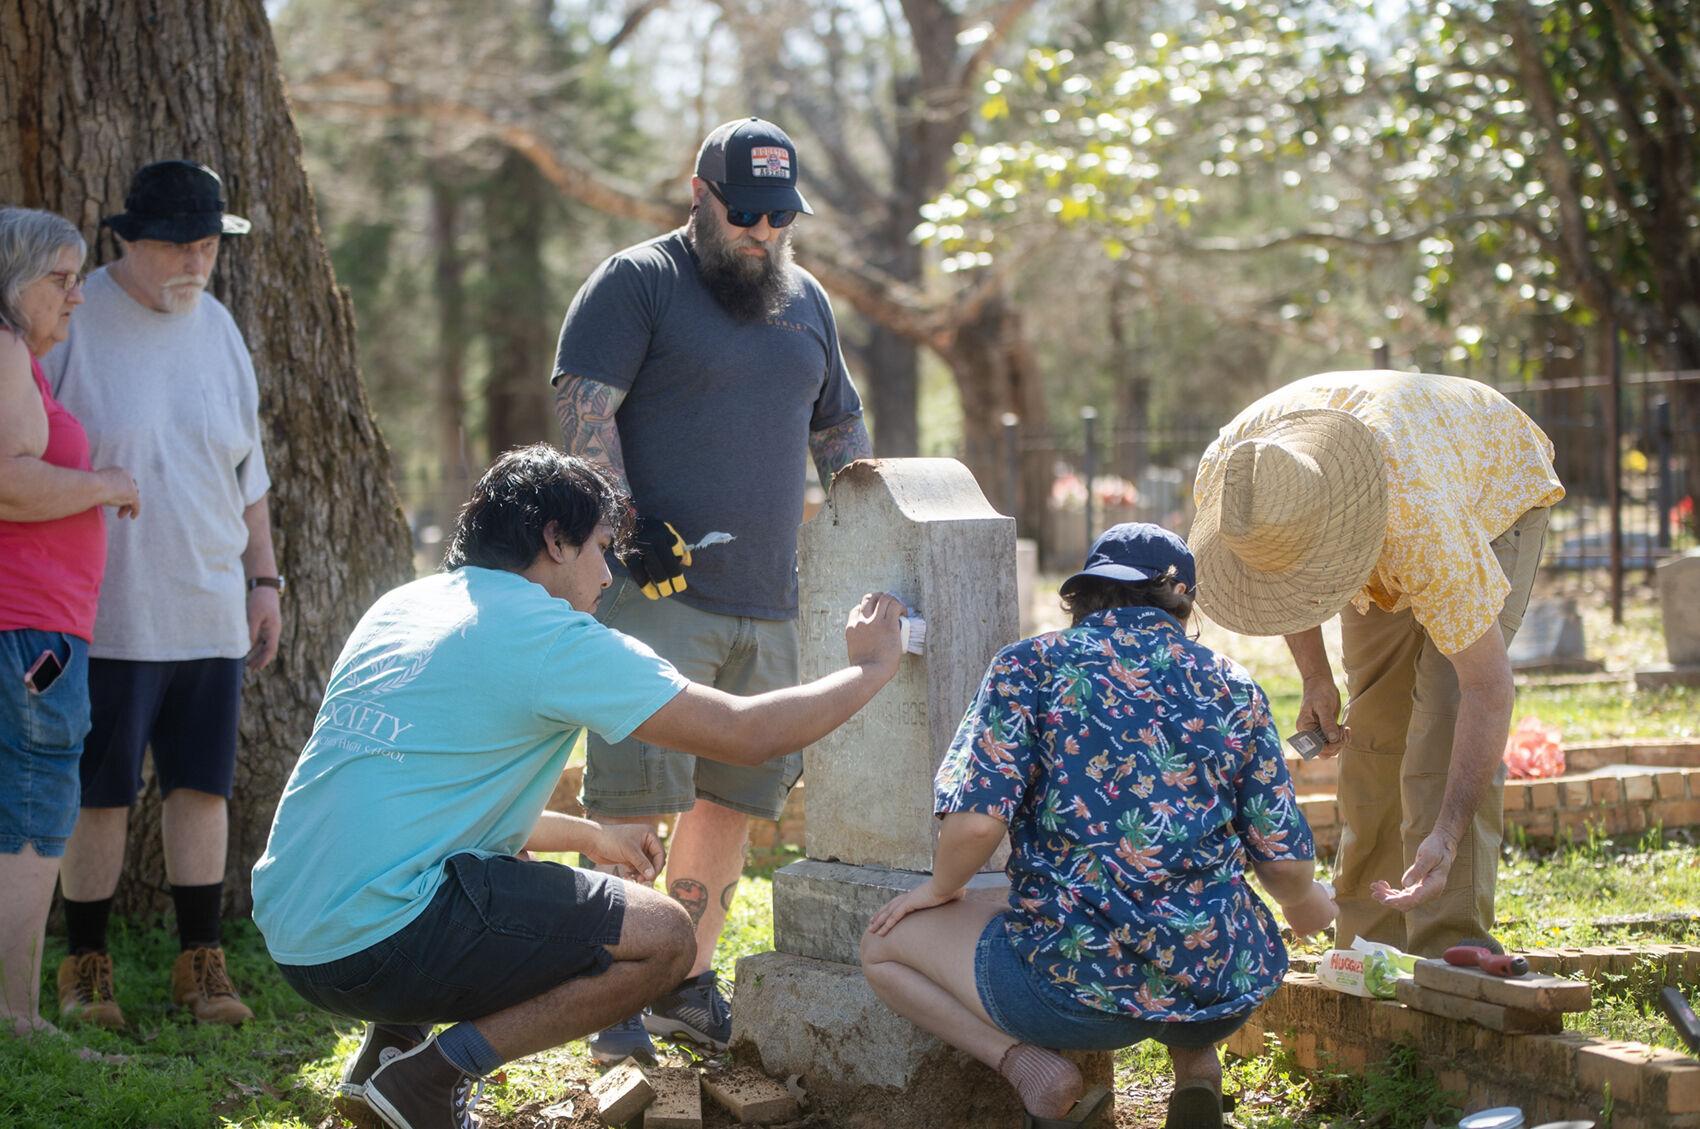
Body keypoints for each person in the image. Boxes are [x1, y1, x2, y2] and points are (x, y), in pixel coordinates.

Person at [251, 444, 903, 1129]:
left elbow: (432, 802)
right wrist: (869, 669)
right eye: (600, 545)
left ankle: (385, 1053)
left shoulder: (403, 607)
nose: (610, 568)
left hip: (299, 941)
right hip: (382, 941)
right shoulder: (552, 636)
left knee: (502, 866)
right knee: (662, 936)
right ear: (554, 540)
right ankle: (428, 1079)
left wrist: (592, 836)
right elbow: (744, 733)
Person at [551, 116, 872, 1061]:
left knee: (731, 802)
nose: (765, 235)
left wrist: (872, 537)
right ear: (701, 196)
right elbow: (583, 416)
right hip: (658, 596)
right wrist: (626, 524)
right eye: (747, 216)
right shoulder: (636, 282)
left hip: (772, 601)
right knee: (634, 799)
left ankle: (683, 979)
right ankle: (609, 993)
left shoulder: (806, 300)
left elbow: (841, 437)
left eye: (781, 218)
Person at [861, 524, 1333, 1129]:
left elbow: (977, 825)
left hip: (1071, 994)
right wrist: (1309, 904)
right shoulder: (1232, 685)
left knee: (881, 948)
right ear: (1183, 603)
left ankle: (1033, 1070)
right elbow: (1286, 866)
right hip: (1222, 984)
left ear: (1084, 594)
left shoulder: (1031, 666)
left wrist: (937, 889)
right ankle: (1197, 1069)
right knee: (1173, 906)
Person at [1188, 370, 1563, 957]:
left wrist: (1446, 830)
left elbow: (1486, 689)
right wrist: (1315, 676)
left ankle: (1447, 942)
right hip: (1396, 475)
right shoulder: (1233, 480)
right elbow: (1281, 576)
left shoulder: (1419, 525)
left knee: (1443, 710)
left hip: (1488, 490)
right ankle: (1368, 941)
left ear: (1342, 538)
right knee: (1376, 722)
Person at [41, 160, 280, 1028]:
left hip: (211, 601)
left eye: (209, 244)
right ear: (129, 241)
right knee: (99, 794)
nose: (196, 261)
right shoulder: (72, 321)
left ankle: (199, 961)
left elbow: (248, 471)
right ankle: (86, 964)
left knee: (201, 788)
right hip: (103, 610)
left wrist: (265, 580)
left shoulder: (217, 325)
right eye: (179, 245)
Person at [0, 208, 139, 1038]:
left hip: (31, 632)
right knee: (31, 817)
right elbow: (12, 483)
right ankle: (14, 1017)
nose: (74, 298)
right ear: (12, 278)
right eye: (60, 278)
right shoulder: (9, 350)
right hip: (30, 635)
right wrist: (107, 481)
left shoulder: (22, 362)